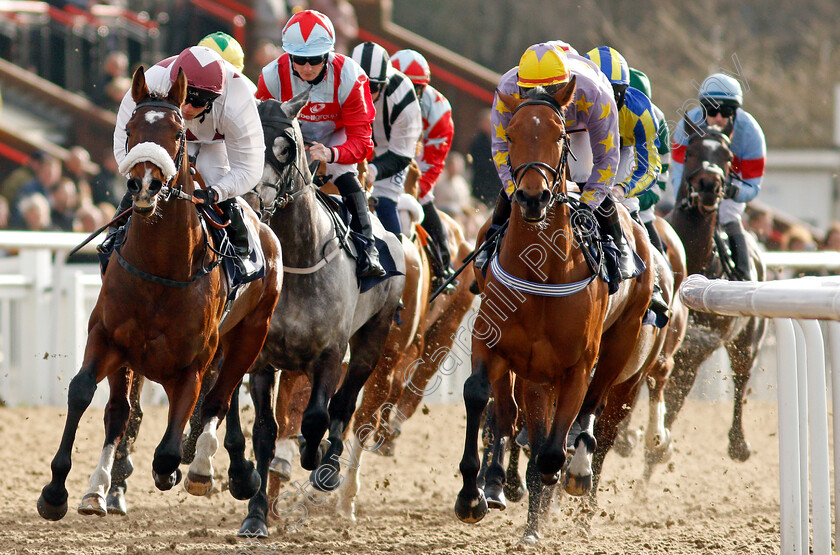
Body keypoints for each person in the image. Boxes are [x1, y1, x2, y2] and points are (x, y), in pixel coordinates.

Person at [106, 45, 265, 274]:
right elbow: (124, 148)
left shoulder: (238, 101)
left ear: (214, 99)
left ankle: (241, 251)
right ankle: (113, 238)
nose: (187, 108)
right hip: (168, 138)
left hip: (217, 142)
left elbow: (249, 169)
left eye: (197, 102)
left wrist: (214, 193)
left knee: (212, 172)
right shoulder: (154, 80)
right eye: (185, 98)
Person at [256, 9, 385, 278]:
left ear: (328, 54)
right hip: (293, 136)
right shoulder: (270, 76)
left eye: (314, 60)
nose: (306, 67)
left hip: (334, 135)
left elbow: (362, 142)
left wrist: (331, 152)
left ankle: (367, 248)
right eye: (299, 59)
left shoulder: (352, 77)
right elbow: (261, 130)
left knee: (343, 172)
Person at [482, 43, 627, 273]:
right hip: (534, 127)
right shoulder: (507, 89)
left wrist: (586, 206)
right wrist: (514, 192)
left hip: (580, 124)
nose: (544, 101)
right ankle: (490, 242)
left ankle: (618, 246)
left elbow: (607, 159)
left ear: (565, 87)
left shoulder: (596, 93)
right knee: (526, 174)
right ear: (520, 88)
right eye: (532, 93)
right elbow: (501, 149)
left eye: (552, 92)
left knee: (582, 173)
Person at [582, 46, 666, 312]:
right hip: (585, 142)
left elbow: (650, 166)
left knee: (625, 207)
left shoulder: (641, 113)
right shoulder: (573, 101)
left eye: (614, 91)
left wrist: (623, 189)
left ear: (625, 91)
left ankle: (653, 286)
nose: (606, 98)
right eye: (600, 89)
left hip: (621, 150)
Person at [671, 73, 766, 281]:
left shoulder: (751, 133)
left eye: (727, 111)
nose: (719, 118)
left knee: (728, 215)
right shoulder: (684, 128)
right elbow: (677, 177)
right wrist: (688, 197)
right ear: (703, 109)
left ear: (736, 111)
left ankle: (744, 277)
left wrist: (734, 191)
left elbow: (753, 186)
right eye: (712, 111)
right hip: (696, 184)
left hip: (731, 186)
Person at [390, 48, 458, 292]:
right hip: (386, 160)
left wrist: (416, 190)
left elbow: (434, 161)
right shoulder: (376, 94)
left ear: (424, 88)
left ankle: (443, 266)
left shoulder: (439, 109)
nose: (406, 93)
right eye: (400, 85)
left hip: (418, 165)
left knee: (424, 199)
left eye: (414, 87)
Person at [350, 42, 422, 237]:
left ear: (384, 84)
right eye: (360, 84)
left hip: (389, 150)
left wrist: (373, 170)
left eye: (372, 87)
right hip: (352, 143)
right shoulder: (340, 80)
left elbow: (401, 154)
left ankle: (394, 265)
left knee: (383, 200)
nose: (365, 93)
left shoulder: (403, 96)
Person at [628, 67, 670, 251]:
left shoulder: (657, 118)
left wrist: (647, 197)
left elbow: (662, 168)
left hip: (642, 208)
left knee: (659, 260)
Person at [467, 108, 502, 206]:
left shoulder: (499, 140)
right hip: (482, 182)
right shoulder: (478, 142)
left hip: (496, 183)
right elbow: (477, 162)